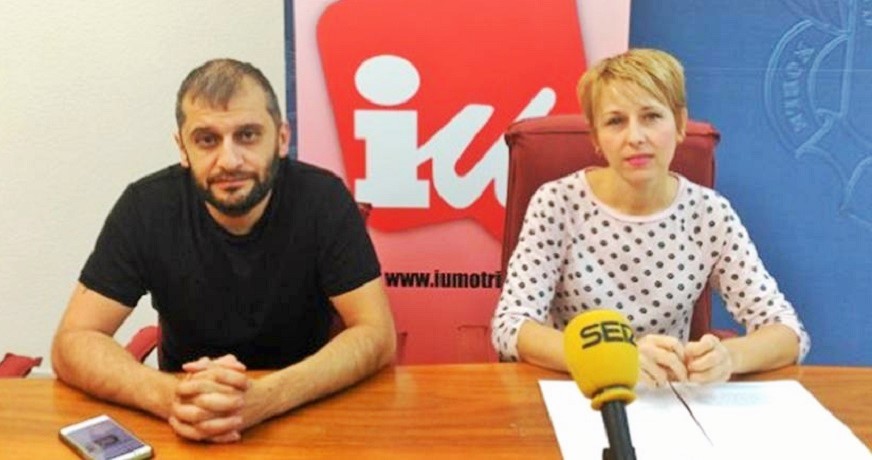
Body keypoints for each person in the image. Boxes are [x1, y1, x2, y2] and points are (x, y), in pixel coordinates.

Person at [51, 58, 396, 442]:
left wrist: (267, 397)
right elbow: (73, 341)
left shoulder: (323, 199)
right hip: (184, 423)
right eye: (207, 140)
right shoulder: (146, 208)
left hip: (302, 414)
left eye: (247, 135)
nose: (229, 161)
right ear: (183, 148)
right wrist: (172, 397)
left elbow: (376, 333)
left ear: (282, 139)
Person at [491, 48, 810, 387]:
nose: (635, 138)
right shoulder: (558, 203)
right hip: (581, 391)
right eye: (615, 121)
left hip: (668, 396)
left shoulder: (708, 213)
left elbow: (788, 332)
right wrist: (612, 358)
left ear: (680, 124)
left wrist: (730, 357)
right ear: (596, 137)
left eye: (651, 116)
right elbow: (511, 325)